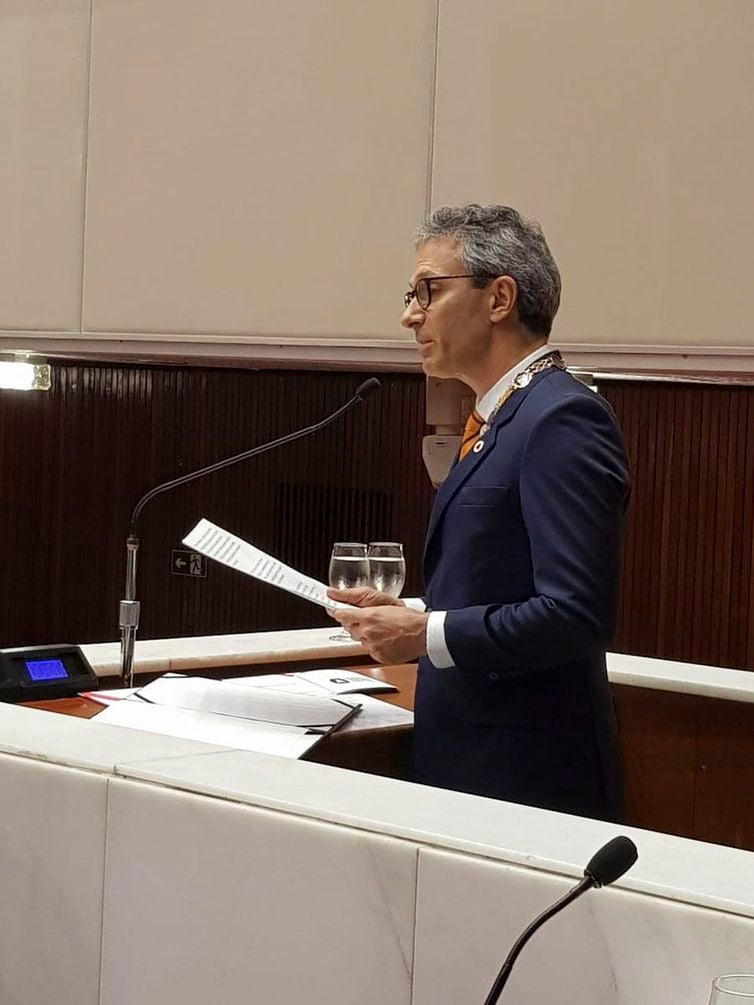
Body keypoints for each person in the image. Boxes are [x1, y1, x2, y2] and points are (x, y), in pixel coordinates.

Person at [329, 204, 630, 821]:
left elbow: (575, 614)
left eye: (427, 291)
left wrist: (424, 635)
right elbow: (500, 580)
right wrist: (411, 612)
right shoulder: (503, 419)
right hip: (471, 758)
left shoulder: (560, 418)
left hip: (528, 778)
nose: (408, 315)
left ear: (499, 299)